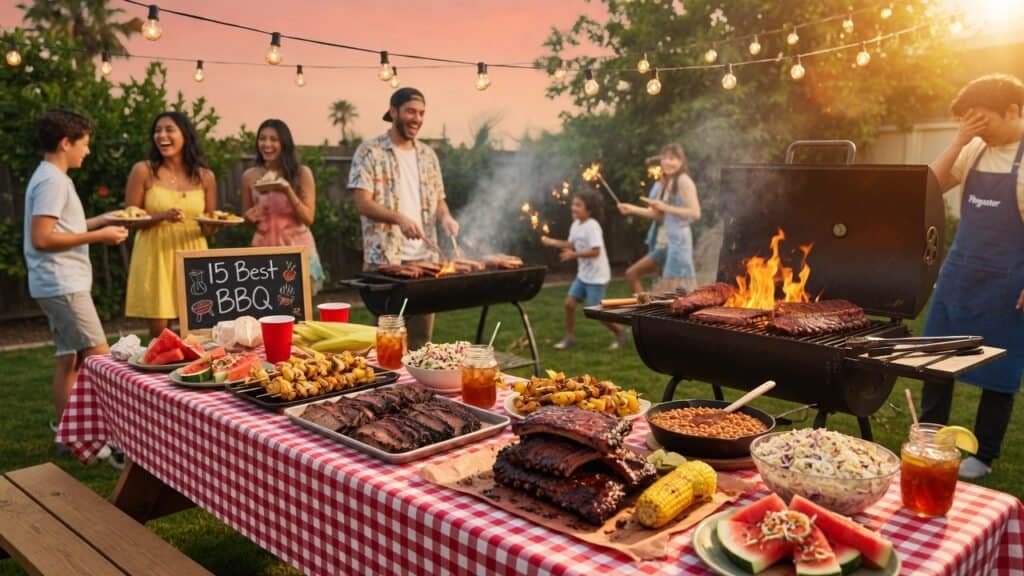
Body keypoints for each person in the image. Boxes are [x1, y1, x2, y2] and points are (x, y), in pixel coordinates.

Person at [922, 74, 1024, 480]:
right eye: (970, 122)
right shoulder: (975, 149)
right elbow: (929, 188)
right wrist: (959, 140)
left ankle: (984, 455)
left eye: (983, 121)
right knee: (935, 360)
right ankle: (929, 440)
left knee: (1000, 370)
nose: (978, 129)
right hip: (960, 272)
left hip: (1007, 281)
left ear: (1013, 111)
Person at [23, 109, 128, 425]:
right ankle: (114, 436)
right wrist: (100, 236)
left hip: (54, 283)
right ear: (66, 143)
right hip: (63, 284)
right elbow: (42, 238)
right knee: (102, 360)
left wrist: (102, 220)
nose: (88, 151)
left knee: (69, 360)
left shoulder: (49, 177)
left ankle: (67, 433)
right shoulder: (53, 181)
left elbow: (61, 228)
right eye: (84, 143)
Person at [348, 87, 460, 349]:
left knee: (421, 341)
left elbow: (439, 200)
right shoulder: (369, 152)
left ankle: (419, 377)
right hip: (386, 259)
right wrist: (399, 218)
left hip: (425, 261)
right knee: (387, 342)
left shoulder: (428, 155)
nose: (417, 118)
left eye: (421, 113)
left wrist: (446, 217)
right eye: (411, 111)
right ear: (393, 111)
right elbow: (363, 203)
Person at [124, 111, 217, 338]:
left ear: (185, 135)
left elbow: (210, 225)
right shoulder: (143, 170)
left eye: (169, 130)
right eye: (157, 131)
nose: (161, 135)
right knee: (161, 335)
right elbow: (130, 220)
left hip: (193, 252)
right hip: (155, 253)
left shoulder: (205, 176)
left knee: (197, 331)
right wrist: (161, 216)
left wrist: (215, 224)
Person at [241, 119, 325, 294]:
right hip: (263, 251)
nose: (267, 144)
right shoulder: (249, 176)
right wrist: (248, 218)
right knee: (265, 304)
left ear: (284, 143)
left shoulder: (301, 173)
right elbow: (247, 220)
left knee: (299, 306)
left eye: (274, 139)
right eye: (262, 138)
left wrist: (287, 190)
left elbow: (308, 218)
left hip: (297, 251)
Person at [541, 191, 628, 350]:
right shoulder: (576, 225)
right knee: (569, 304)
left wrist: (573, 255)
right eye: (573, 204)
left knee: (596, 312)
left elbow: (596, 251)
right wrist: (552, 242)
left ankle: (620, 332)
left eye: (578, 205)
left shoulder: (592, 227)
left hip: (597, 276)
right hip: (584, 275)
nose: (573, 208)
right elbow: (571, 244)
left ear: (589, 210)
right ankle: (569, 338)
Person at [617, 143, 701, 294]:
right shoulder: (666, 182)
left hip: (679, 245)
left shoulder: (684, 181)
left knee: (672, 294)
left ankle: (651, 308)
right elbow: (658, 215)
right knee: (632, 274)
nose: (667, 162)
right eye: (665, 158)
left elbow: (695, 213)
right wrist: (631, 209)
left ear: (681, 161)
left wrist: (665, 207)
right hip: (665, 243)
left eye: (672, 158)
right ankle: (644, 307)